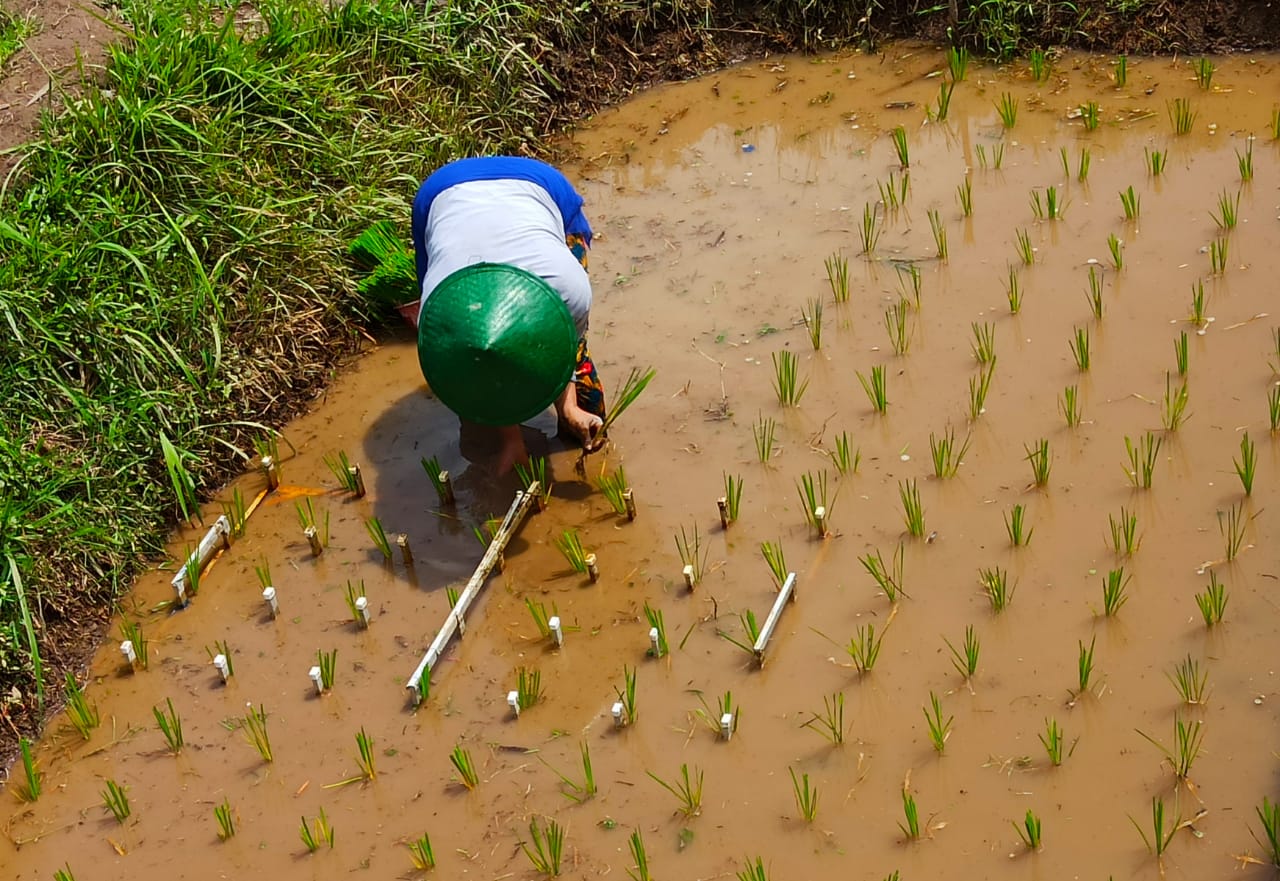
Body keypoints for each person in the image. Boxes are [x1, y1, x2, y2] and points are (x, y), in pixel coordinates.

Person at [408, 157, 606, 475]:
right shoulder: (442, 317)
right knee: (476, 425)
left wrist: (570, 409)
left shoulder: (567, 292)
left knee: (588, 400)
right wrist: (510, 437)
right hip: (440, 194)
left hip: (541, 185)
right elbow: (481, 371)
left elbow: (565, 351)